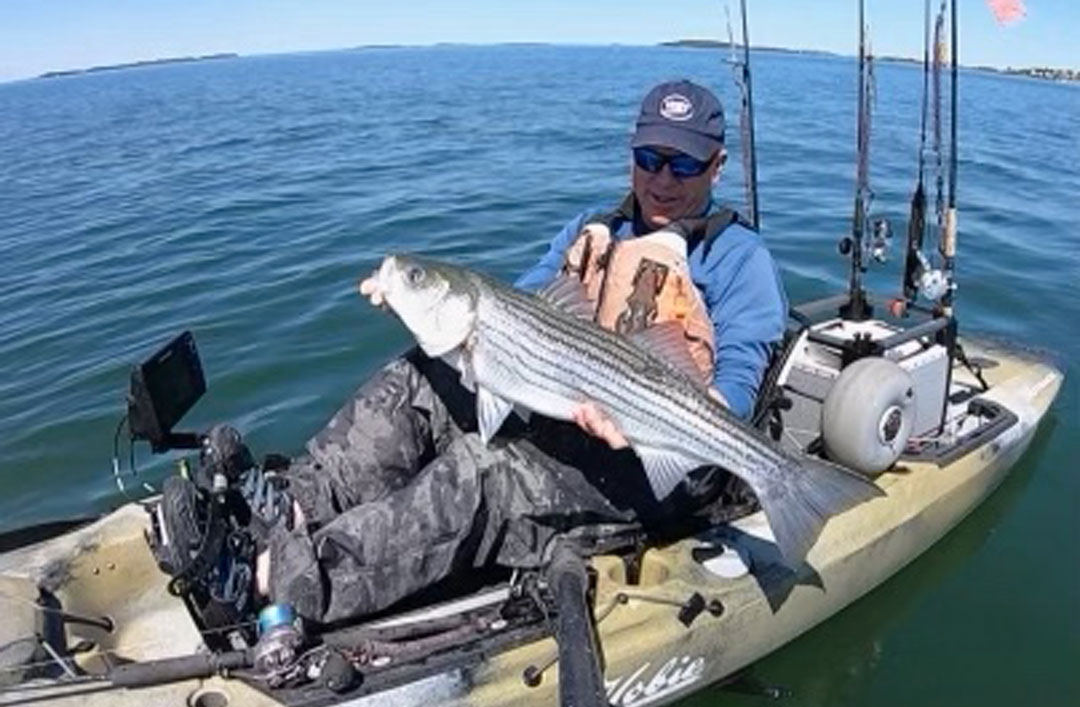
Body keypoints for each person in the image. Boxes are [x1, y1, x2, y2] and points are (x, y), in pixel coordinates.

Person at [250, 80, 787, 623]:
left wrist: (657, 419)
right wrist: (414, 305)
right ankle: (297, 503)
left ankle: (296, 579)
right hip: (565, 401)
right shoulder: (592, 228)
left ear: (717, 167)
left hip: (660, 452)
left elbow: (738, 385)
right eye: (649, 159)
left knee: (487, 472)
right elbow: (519, 306)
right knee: (416, 377)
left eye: (685, 165)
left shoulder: (741, 260)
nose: (662, 179)